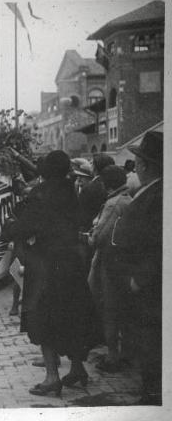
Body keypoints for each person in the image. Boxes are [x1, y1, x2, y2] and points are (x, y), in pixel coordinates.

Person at [3, 150, 97, 397]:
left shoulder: (40, 195)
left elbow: (25, 227)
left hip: (46, 264)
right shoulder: (71, 191)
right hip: (72, 263)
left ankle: (51, 377)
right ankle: (77, 369)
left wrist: (10, 226)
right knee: (73, 316)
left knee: (43, 318)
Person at [111, 131, 162, 405]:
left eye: (139, 162)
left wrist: (139, 279)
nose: (136, 166)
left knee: (151, 341)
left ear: (145, 165)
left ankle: (153, 395)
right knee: (145, 340)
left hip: (147, 287)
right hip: (139, 283)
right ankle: (150, 390)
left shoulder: (158, 195)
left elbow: (159, 244)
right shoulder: (151, 191)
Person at [87, 165, 132, 373]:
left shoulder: (113, 204)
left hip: (110, 264)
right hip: (124, 263)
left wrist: (88, 237)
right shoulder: (129, 198)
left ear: (107, 184)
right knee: (122, 310)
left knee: (109, 310)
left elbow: (99, 236)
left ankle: (113, 357)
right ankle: (125, 353)